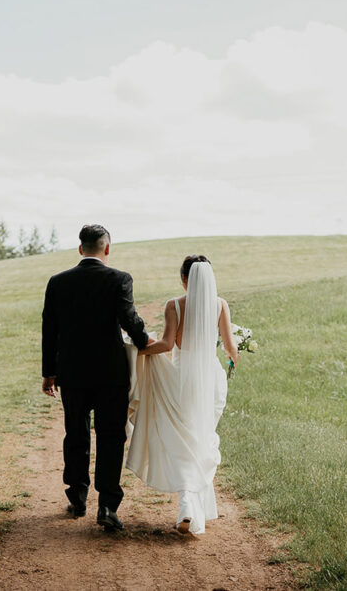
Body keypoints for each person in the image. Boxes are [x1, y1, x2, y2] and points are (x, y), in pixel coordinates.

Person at [40, 224, 152, 531]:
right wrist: (146, 344)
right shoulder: (119, 279)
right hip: (110, 373)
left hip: (72, 373)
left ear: (80, 249)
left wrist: (49, 373)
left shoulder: (57, 282)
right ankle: (106, 505)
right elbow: (129, 320)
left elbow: (50, 330)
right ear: (107, 248)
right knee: (111, 436)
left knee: (75, 433)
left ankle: (77, 497)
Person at [127, 254, 239, 534]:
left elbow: (165, 345)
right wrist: (234, 358)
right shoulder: (220, 305)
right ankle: (190, 504)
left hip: (182, 378)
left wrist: (136, 350)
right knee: (201, 438)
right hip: (210, 379)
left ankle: (188, 503)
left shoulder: (174, 305)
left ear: (184, 278)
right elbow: (229, 347)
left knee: (184, 439)